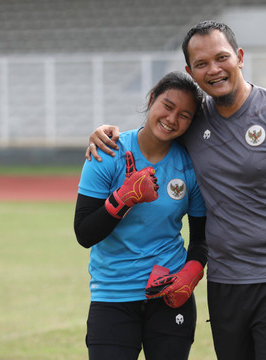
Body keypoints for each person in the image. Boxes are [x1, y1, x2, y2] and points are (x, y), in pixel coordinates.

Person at [85, 21, 266, 360]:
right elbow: (154, 128)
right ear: (190, 71)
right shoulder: (192, 122)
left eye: (221, 57)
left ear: (239, 57)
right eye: (201, 63)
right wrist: (104, 134)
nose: (214, 69)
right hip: (226, 281)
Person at [73, 71, 208, 360]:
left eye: (184, 115)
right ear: (151, 100)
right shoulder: (108, 152)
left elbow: (201, 239)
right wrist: (123, 198)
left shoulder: (190, 166)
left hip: (169, 297)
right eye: (168, 106)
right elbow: (84, 233)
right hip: (112, 296)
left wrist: (191, 273)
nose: (172, 119)